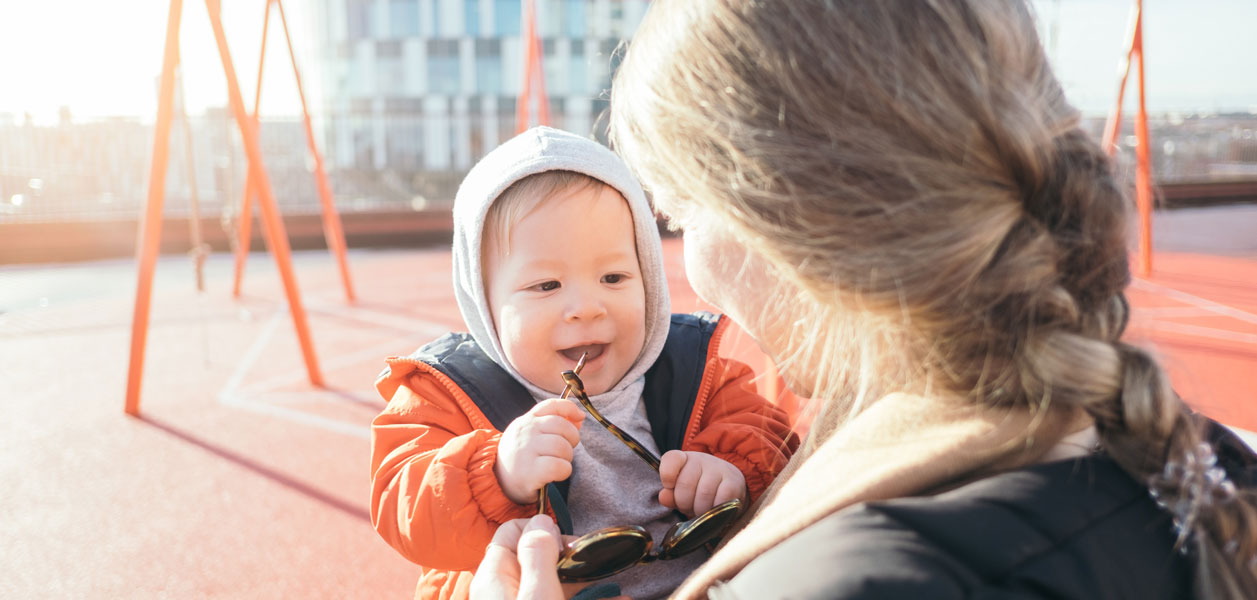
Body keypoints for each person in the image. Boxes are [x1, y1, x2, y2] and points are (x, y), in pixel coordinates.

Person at [471, 1, 1257, 599]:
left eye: (681, 216)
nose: (690, 272)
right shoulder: (1208, 464)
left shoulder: (853, 576)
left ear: (785, 221)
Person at [370, 126, 798, 600]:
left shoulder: (692, 368)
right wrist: (496, 475)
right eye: (547, 286)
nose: (586, 307)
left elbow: (774, 438)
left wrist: (735, 471)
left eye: (613, 276)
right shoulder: (447, 392)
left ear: (648, 280)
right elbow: (401, 507)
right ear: (484, 304)